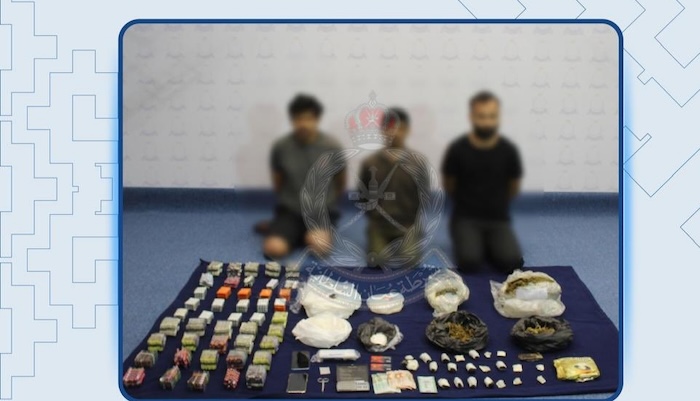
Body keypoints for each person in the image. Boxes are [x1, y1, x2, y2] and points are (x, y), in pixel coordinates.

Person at [441, 91, 524, 274]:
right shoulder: (457, 149)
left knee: (511, 262)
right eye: (481, 116)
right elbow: (449, 185)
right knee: (469, 262)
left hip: (498, 219)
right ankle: (474, 240)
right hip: (466, 218)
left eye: (492, 116)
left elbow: (513, 187)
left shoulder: (508, 151)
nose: (487, 122)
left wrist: (496, 204)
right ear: (471, 117)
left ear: (498, 117)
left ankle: (489, 241)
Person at [263, 94, 346, 259]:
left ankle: (301, 233)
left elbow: (340, 181)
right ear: (292, 120)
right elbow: (278, 181)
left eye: (308, 119)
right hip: (290, 211)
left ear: (317, 119)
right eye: (298, 119)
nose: (303, 124)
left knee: (319, 247)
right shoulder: (281, 147)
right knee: (274, 250)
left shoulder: (332, 146)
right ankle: (286, 229)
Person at [358, 108, 428, 267]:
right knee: (376, 261)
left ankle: (414, 234)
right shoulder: (370, 163)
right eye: (390, 128)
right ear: (382, 130)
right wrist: (375, 217)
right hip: (379, 225)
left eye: (400, 128)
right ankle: (378, 237)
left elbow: (423, 197)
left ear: (407, 130)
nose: (395, 133)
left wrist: (412, 221)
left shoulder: (418, 164)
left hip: (408, 224)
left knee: (410, 260)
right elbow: (363, 196)